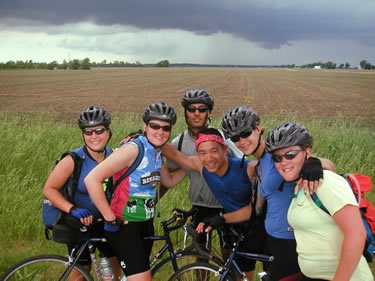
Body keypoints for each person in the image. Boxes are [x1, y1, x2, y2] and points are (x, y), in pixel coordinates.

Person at [220, 105, 336, 281]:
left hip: (292, 243)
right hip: (273, 242)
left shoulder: (278, 156)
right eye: (235, 138)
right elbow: (257, 209)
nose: (241, 141)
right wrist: (223, 219)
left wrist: (314, 162)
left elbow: (329, 166)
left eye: (245, 133)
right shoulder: (259, 166)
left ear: (258, 128)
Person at [84, 102, 186, 281]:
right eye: (154, 126)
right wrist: (109, 216)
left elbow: (168, 181)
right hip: (124, 226)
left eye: (165, 128)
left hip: (145, 223)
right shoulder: (133, 149)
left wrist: (192, 167)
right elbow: (92, 180)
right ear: (145, 126)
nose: (160, 132)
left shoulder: (155, 152)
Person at [265, 121, 373, 281]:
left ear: (307, 152)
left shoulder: (326, 182)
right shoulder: (300, 186)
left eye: (290, 154)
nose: (283, 162)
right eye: (277, 157)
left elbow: (356, 234)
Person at [162, 127, 265, 281]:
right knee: (243, 278)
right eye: (202, 153)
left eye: (214, 151)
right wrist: (142, 138)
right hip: (240, 232)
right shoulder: (201, 165)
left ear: (224, 149)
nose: (209, 158)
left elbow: (277, 166)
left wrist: (313, 163)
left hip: (264, 230)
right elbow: (174, 154)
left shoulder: (247, 169)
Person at [43, 106, 122, 280]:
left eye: (99, 130)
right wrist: (72, 209)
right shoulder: (73, 160)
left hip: (108, 221)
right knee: (81, 270)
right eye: (88, 132)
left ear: (109, 132)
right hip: (81, 224)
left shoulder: (115, 155)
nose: (94, 136)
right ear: (83, 135)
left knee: (115, 266)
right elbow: (49, 189)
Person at [161, 88, 243, 254]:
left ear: (209, 112)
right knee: (201, 255)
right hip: (199, 206)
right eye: (191, 109)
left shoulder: (222, 137)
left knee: (229, 255)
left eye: (202, 109)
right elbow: (169, 176)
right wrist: (153, 200)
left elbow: (243, 164)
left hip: (225, 205)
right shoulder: (180, 142)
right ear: (185, 112)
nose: (196, 114)